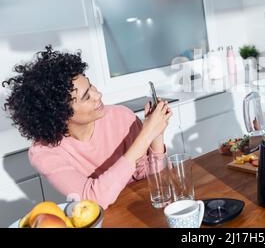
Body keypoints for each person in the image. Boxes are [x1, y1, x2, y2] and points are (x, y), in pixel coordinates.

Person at [2, 46, 172, 209]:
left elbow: (152, 180)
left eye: (91, 86)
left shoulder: (121, 116)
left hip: (138, 208)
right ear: (61, 114)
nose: (98, 95)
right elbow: (92, 200)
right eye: (86, 96)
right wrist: (146, 135)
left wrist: (156, 135)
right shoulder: (44, 152)